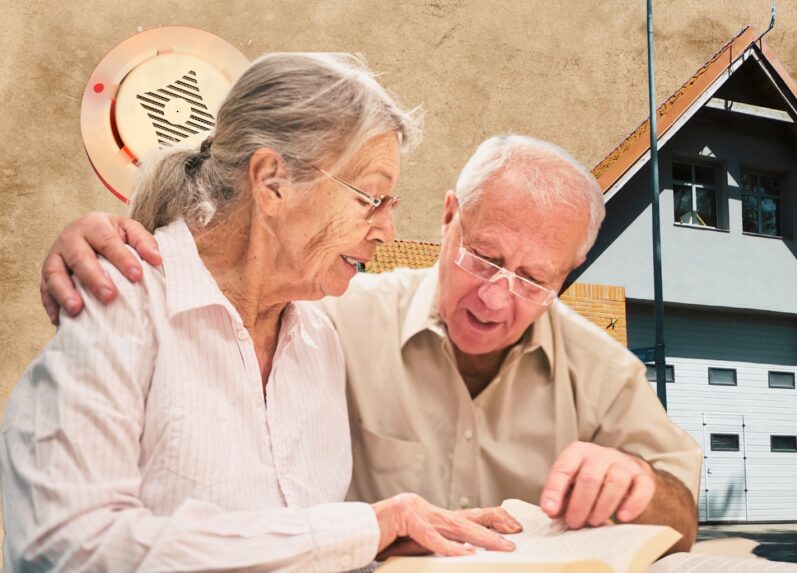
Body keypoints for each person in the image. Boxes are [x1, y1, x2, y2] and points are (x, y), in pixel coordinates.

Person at [40, 136, 704, 552]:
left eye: (533, 280)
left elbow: (685, 512)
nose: (496, 298)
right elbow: (224, 281)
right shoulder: (333, 316)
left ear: (568, 275)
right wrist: (122, 249)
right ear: (448, 218)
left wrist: (645, 483)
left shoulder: (603, 369)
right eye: (483, 257)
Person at [2, 52, 519, 572]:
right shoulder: (122, 305)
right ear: (272, 181)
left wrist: (377, 545)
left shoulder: (317, 336)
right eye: (370, 198)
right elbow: (67, 546)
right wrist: (364, 527)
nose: (385, 230)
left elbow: (286, 541)